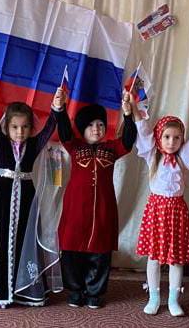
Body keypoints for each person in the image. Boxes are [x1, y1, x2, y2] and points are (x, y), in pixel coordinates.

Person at [0, 90, 62, 306]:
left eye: (25, 127)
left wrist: (56, 108)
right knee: (0, 240)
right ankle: (0, 289)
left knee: (23, 239)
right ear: (7, 127)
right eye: (15, 127)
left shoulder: (34, 144)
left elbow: (48, 129)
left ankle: (22, 288)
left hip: (26, 197)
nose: (20, 132)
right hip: (2, 196)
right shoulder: (0, 141)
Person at [135, 104, 189, 316]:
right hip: (156, 211)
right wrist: (134, 110)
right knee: (154, 257)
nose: (171, 142)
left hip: (176, 211)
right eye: (167, 137)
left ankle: (174, 299)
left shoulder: (184, 157)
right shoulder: (152, 155)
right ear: (159, 138)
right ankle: (154, 297)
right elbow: (142, 130)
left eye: (176, 138)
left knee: (176, 258)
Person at [56, 92, 137, 309]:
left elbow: (128, 141)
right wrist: (60, 110)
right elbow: (64, 133)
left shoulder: (111, 149)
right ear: (82, 128)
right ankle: (75, 291)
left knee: (100, 252)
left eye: (100, 124)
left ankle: (94, 292)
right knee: (72, 250)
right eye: (91, 125)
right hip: (76, 210)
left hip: (103, 209)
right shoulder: (74, 147)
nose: (96, 129)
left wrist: (128, 116)